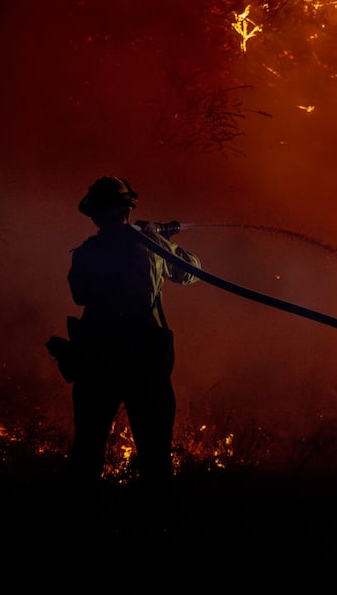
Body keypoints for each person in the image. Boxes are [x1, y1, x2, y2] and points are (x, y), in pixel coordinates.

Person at [63, 175, 201, 535]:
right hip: (145, 363)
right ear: (127, 209)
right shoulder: (151, 244)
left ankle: (82, 521)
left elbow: (79, 294)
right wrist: (159, 240)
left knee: (89, 448)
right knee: (154, 453)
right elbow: (193, 273)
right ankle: (155, 528)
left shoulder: (88, 252)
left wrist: (153, 237)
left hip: (98, 362)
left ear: (95, 214)